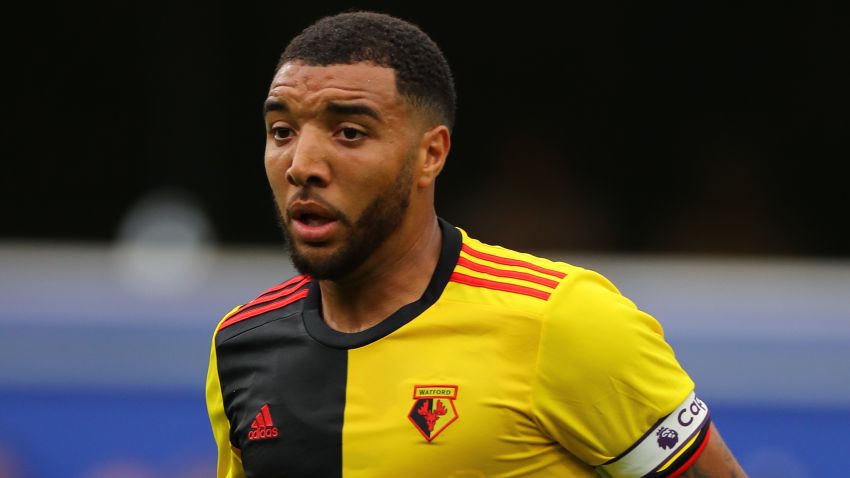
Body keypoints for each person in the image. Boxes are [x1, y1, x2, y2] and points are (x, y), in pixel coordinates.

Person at [205, 11, 746, 478]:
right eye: (282, 132)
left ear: (430, 155)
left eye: (349, 133)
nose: (302, 165)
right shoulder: (240, 346)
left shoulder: (563, 320)